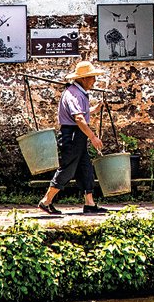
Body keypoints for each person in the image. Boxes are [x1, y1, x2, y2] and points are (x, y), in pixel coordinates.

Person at [38, 60, 111, 216]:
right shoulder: (74, 94)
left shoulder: (78, 93)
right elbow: (78, 119)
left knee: (85, 168)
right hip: (72, 135)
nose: (94, 81)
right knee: (68, 169)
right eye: (92, 78)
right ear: (83, 79)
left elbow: (81, 114)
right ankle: (46, 201)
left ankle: (89, 203)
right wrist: (93, 137)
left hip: (77, 134)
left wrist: (95, 109)